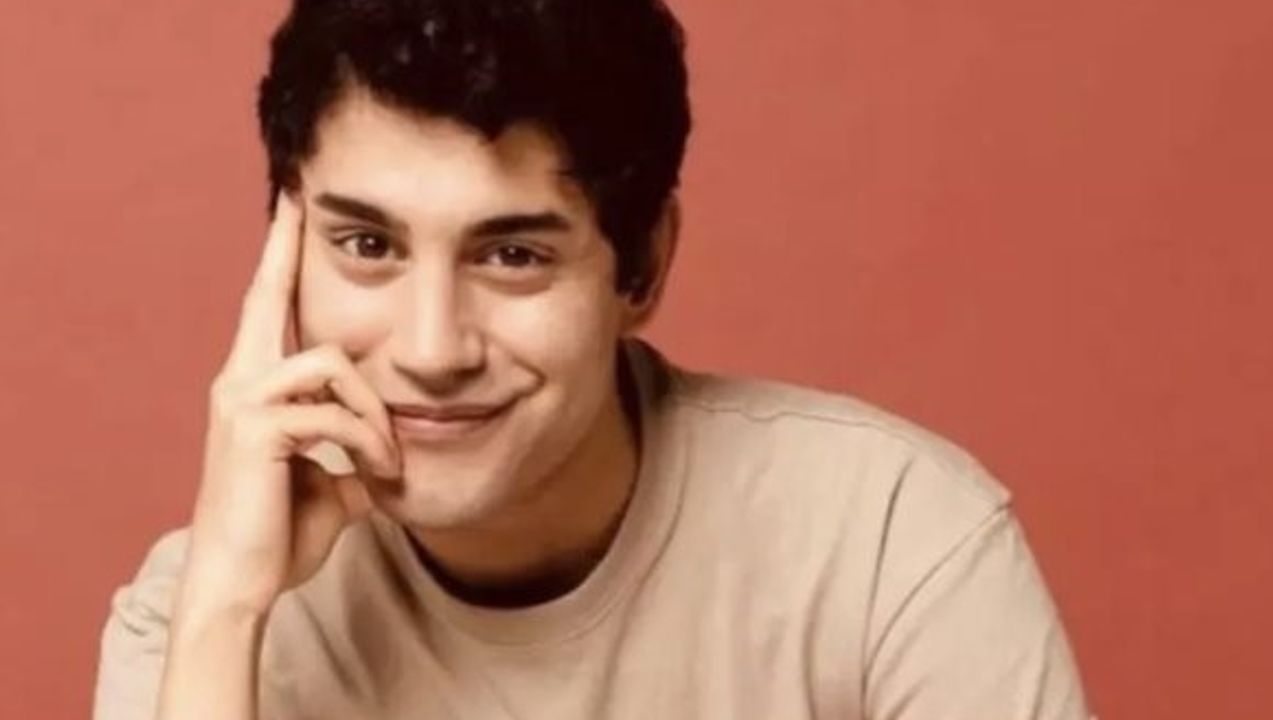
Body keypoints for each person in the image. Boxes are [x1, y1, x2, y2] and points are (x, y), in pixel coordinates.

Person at [93, 0, 1092, 718]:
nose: (432, 349)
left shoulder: (888, 542)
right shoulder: (201, 611)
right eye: (366, 245)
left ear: (642, 265)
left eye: (513, 256)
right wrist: (223, 615)